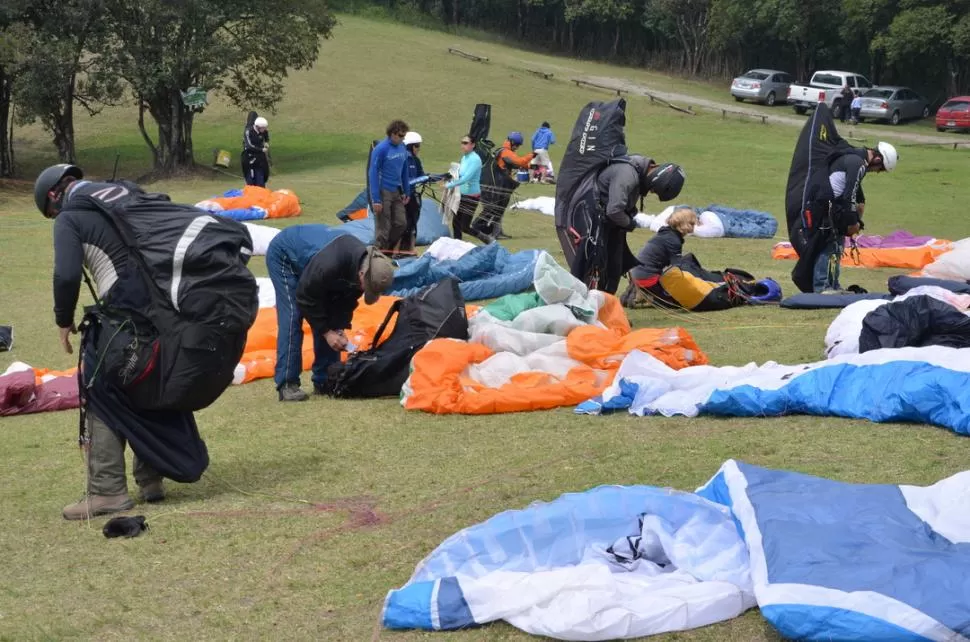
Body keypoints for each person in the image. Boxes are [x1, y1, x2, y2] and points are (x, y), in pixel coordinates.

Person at [35, 164, 207, 520]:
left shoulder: (72, 215)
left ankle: (106, 491)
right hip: (168, 311)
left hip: (126, 315)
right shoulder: (125, 192)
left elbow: (66, 273)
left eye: (52, 214)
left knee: (99, 387)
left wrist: (63, 320)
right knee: (146, 383)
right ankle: (151, 480)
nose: (57, 219)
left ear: (55, 196)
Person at [266, 225, 396, 401]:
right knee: (293, 316)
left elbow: (344, 302)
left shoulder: (363, 269)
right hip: (286, 255)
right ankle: (287, 384)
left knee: (331, 321)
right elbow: (305, 297)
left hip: (315, 269)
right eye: (368, 288)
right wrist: (327, 333)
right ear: (361, 273)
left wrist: (339, 330)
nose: (365, 291)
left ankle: (324, 381)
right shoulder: (330, 264)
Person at [558, 156, 686, 295]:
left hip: (609, 223)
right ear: (656, 179)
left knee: (614, 267)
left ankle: (605, 306)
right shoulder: (627, 174)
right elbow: (614, 210)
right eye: (654, 190)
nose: (651, 192)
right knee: (592, 266)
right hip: (594, 220)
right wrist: (630, 223)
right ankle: (582, 303)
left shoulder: (636, 172)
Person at [810, 143, 897, 292]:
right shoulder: (858, 164)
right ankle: (822, 286)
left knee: (837, 246)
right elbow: (849, 195)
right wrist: (852, 222)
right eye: (880, 169)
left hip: (831, 204)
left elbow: (857, 194)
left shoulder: (854, 159)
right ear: (877, 160)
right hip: (827, 205)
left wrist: (858, 213)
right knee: (828, 246)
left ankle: (833, 284)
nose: (877, 172)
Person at [630, 208, 698, 303]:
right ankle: (647, 296)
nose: (694, 226)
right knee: (678, 301)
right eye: (692, 223)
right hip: (648, 278)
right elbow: (677, 268)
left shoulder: (665, 233)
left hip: (637, 274)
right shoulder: (674, 241)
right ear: (685, 224)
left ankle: (639, 291)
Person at [368, 120, 411, 255]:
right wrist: (376, 199)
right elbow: (373, 173)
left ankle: (386, 249)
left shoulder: (402, 147)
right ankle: (377, 254)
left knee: (401, 223)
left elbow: (404, 170)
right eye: (400, 135)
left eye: (404, 135)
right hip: (383, 191)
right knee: (383, 227)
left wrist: (406, 190)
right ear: (392, 134)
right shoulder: (381, 149)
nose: (402, 138)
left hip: (396, 190)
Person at [443, 135, 487, 242]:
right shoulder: (464, 158)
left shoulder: (475, 159)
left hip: (471, 197)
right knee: (456, 223)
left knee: (465, 227)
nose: (463, 145)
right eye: (462, 142)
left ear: (473, 145)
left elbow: (466, 178)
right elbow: (459, 174)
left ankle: (486, 238)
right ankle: (457, 247)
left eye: (466, 143)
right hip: (461, 195)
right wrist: (446, 176)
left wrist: (448, 185)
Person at [403, 131, 426, 253]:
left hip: (412, 195)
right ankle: (400, 249)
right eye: (417, 146)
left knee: (413, 222)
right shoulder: (403, 159)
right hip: (402, 196)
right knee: (404, 223)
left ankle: (411, 248)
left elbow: (421, 175)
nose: (418, 149)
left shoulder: (416, 161)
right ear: (410, 146)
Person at [242, 113, 270, 187]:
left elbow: (266, 135)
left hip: (259, 157)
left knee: (261, 179)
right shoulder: (248, 131)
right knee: (251, 180)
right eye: (263, 128)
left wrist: (266, 142)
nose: (264, 130)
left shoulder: (263, 131)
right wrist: (261, 149)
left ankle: (261, 192)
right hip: (249, 157)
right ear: (257, 127)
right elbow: (249, 146)